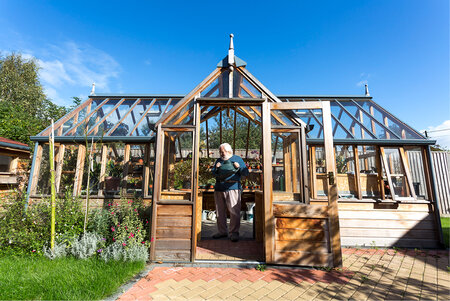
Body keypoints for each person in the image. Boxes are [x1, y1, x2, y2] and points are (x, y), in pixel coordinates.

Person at [211, 143, 249, 242]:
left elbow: (245, 173)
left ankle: (234, 233)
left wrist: (239, 167)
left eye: (222, 152)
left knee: (234, 212)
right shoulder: (219, 160)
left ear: (228, 151)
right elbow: (213, 173)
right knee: (219, 212)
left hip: (233, 187)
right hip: (219, 188)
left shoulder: (237, 159)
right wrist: (216, 168)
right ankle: (222, 231)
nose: (221, 154)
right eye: (220, 152)